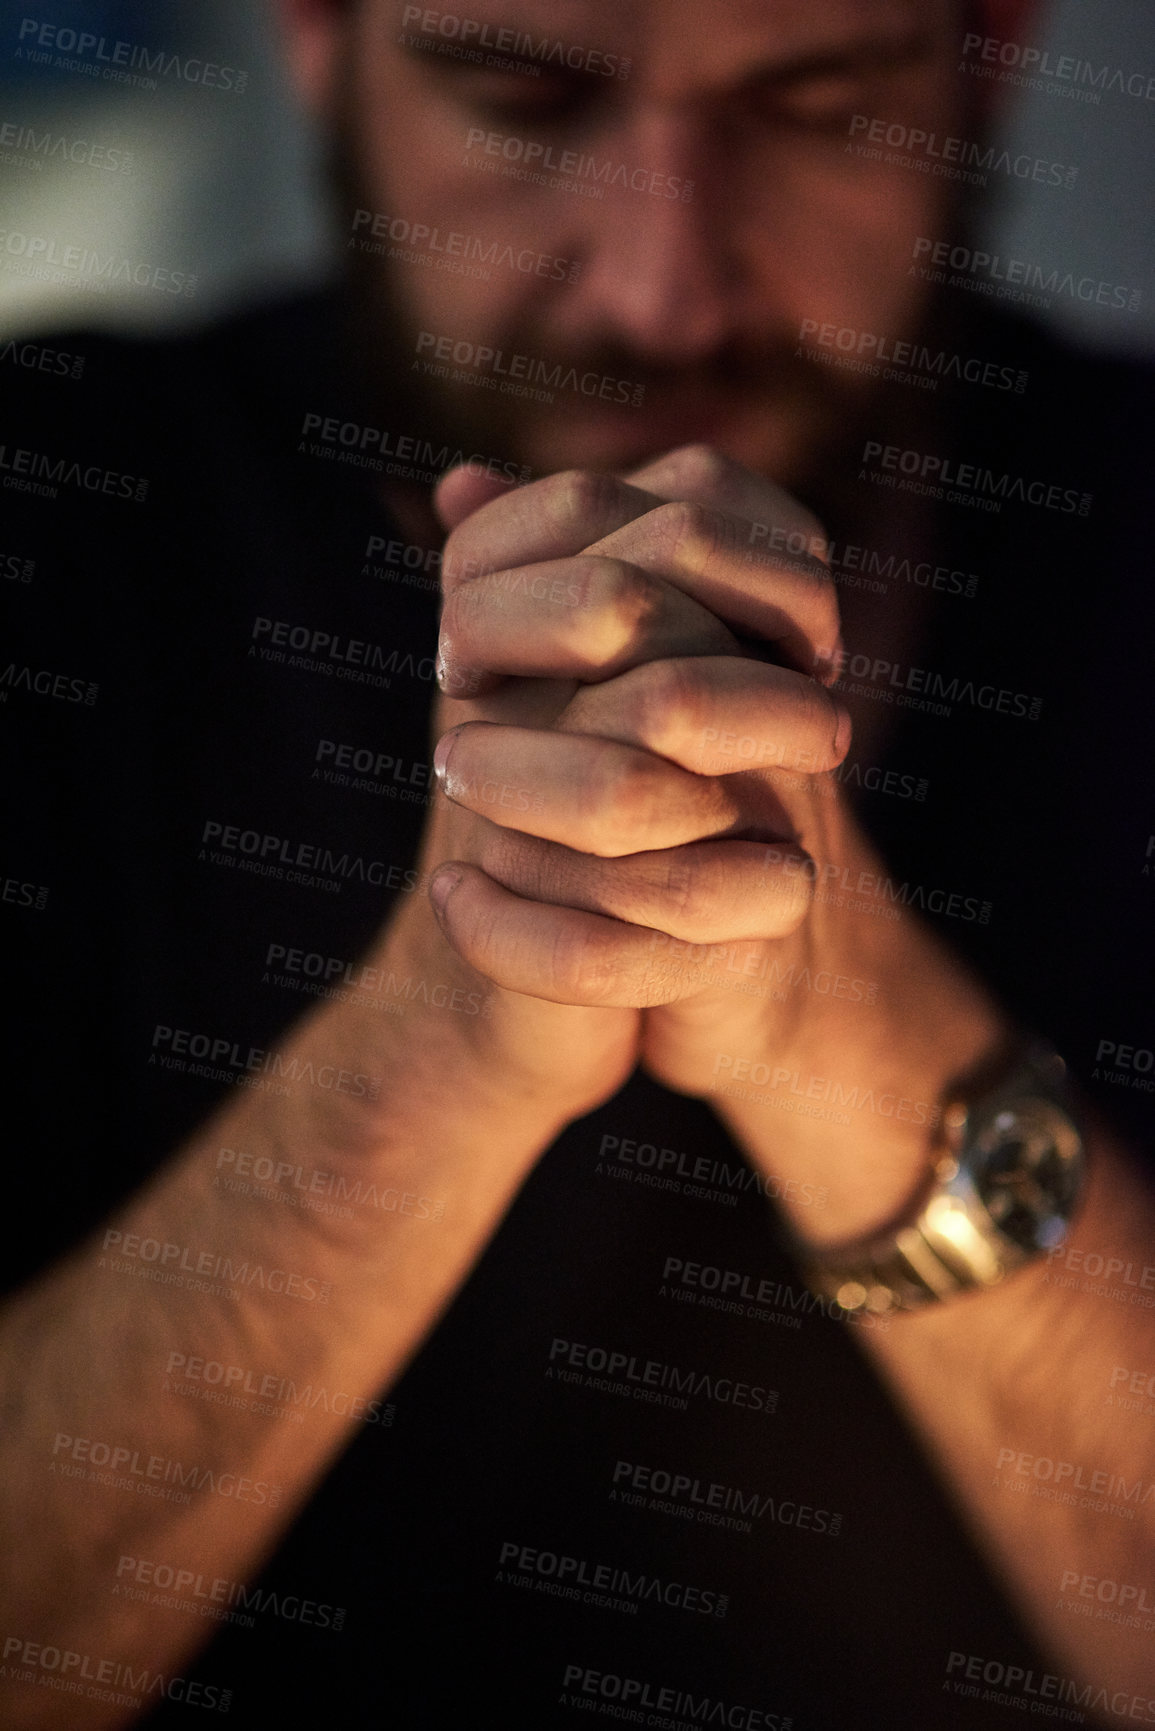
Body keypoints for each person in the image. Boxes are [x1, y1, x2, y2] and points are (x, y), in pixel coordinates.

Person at [1, 0, 1152, 1725]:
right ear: (319, 40)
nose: (660, 289)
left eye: (823, 105)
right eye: (522, 100)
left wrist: (854, 1032)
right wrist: (439, 1040)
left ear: (991, 59)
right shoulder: (50, 533)